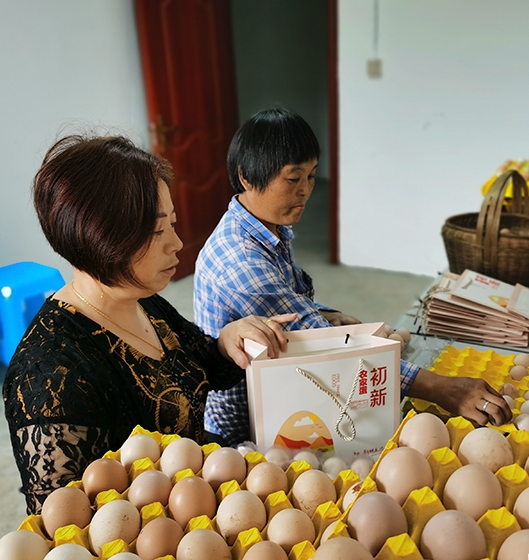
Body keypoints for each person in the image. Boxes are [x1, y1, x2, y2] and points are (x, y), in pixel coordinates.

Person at [3, 134, 294, 514]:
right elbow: (64, 529)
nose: (176, 243)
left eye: (172, 223)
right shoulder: (50, 378)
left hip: (196, 494)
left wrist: (228, 340)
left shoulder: (141, 301)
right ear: (100, 238)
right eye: (156, 231)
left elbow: (198, 365)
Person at [194, 108, 512, 446]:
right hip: (248, 426)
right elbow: (325, 349)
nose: (306, 191)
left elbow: (289, 301)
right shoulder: (242, 261)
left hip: (280, 392)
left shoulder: (264, 227)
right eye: (293, 178)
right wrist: (443, 388)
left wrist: (326, 314)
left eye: (312, 176)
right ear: (247, 177)